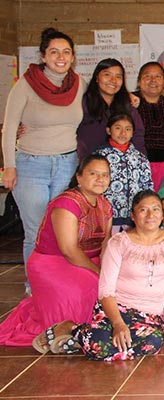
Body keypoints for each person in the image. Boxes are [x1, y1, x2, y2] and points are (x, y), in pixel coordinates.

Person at [40, 190, 164, 360]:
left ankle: (78, 341)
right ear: (133, 216)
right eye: (143, 210)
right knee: (103, 342)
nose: (150, 215)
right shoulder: (119, 242)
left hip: (149, 314)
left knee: (153, 342)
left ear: (162, 214)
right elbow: (106, 289)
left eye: (156, 209)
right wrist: (118, 324)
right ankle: (72, 329)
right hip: (116, 309)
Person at [0, 156, 112, 349]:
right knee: (94, 287)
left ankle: (83, 329)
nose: (100, 179)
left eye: (105, 175)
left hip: (87, 262)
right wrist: (98, 273)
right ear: (79, 177)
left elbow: (106, 244)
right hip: (54, 263)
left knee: (117, 284)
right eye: (93, 174)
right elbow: (69, 250)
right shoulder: (67, 203)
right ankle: (69, 331)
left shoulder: (105, 205)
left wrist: (108, 270)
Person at [2, 28, 85, 271]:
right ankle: (34, 286)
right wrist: (9, 166)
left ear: (72, 56)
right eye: (54, 52)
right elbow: (8, 128)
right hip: (30, 166)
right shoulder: (25, 85)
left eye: (66, 52)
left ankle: (57, 281)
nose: (61, 57)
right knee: (36, 230)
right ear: (43, 56)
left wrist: (131, 99)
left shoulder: (79, 84)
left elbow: (102, 104)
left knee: (63, 228)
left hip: (67, 165)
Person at [76, 58, 146, 159]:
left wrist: (141, 161)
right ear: (97, 77)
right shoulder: (84, 103)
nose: (113, 80)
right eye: (107, 74)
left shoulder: (127, 106)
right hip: (89, 164)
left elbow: (138, 137)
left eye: (118, 76)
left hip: (120, 166)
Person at [93, 113, 154, 227]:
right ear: (108, 130)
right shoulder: (99, 156)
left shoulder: (140, 158)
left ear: (132, 133)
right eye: (118, 128)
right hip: (107, 216)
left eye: (128, 129)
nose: (123, 133)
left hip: (135, 218)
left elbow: (148, 186)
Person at [134, 61, 164, 190]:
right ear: (139, 81)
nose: (153, 80)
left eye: (158, 76)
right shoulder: (129, 103)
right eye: (147, 76)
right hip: (137, 165)